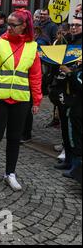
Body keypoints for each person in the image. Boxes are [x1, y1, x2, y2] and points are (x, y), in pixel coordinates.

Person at [0, 9, 42, 191]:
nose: (9, 27)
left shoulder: (32, 46)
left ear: (24, 26)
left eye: (13, 25)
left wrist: (37, 99)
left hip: (21, 99)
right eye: (8, 23)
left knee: (14, 138)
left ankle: (10, 174)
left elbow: (35, 75)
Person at [52, 17, 82, 170]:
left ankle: (75, 166)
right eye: (72, 25)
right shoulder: (67, 40)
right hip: (63, 88)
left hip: (76, 94)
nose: (74, 28)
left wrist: (70, 72)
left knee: (73, 132)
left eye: (77, 25)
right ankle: (69, 159)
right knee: (65, 127)